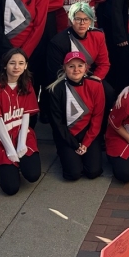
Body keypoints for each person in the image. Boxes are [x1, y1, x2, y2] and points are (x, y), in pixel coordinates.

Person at [0, 49, 41, 195]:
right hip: (0, 139)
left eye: (21, 63)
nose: (17, 67)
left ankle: (19, 163)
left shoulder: (26, 84)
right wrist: (9, 149)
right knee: (11, 188)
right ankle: (7, 167)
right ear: (5, 65)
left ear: (26, 66)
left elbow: (27, 114)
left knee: (33, 175)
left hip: (22, 133)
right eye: (12, 63)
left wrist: (22, 143)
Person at [44, 51, 105, 181]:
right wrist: (75, 145)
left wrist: (86, 143)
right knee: (73, 174)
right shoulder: (56, 89)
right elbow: (57, 123)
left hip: (88, 134)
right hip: (67, 135)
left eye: (80, 66)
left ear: (86, 68)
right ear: (64, 68)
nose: (76, 69)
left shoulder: (96, 86)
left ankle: (82, 154)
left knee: (93, 172)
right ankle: (66, 153)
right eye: (71, 66)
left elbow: (97, 117)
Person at [48, 2, 110, 85]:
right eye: (78, 19)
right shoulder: (58, 41)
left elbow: (104, 64)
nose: (82, 23)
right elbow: (55, 72)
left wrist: (95, 78)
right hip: (66, 80)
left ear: (91, 20)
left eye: (86, 19)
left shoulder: (98, 36)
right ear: (71, 19)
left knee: (110, 93)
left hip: (90, 77)